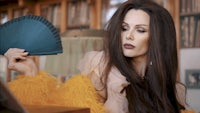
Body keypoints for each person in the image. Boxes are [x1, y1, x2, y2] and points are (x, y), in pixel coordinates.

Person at [4, 0, 190, 113]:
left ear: (158, 38)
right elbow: (61, 107)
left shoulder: (171, 88)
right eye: (124, 28)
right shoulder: (103, 68)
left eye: (140, 30)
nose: (129, 35)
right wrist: (31, 74)